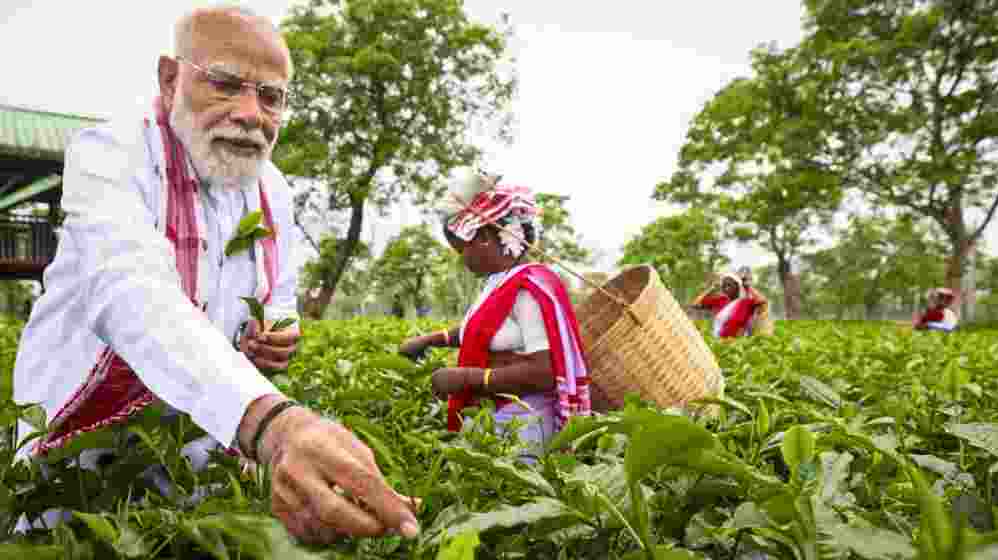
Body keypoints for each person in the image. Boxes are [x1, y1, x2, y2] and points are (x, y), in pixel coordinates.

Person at [11, 6, 417, 543]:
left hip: (202, 442)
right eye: (226, 85)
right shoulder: (112, 156)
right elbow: (131, 291)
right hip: (78, 453)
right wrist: (272, 423)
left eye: (271, 96)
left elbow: (281, 294)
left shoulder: (272, 190)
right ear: (170, 78)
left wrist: (279, 332)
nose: (252, 114)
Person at [398, 174, 591, 460]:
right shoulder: (498, 282)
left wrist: (466, 378)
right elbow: (480, 330)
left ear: (487, 238)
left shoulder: (528, 288)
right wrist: (428, 340)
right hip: (498, 415)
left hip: (526, 425)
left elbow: (545, 372)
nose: (462, 258)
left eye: (463, 249)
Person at [689, 271, 768, 339]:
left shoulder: (746, 302)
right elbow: (695, 304)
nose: (726, 288)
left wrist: (748, 287)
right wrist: (711, 289)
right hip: (718, 341)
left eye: (729, 285)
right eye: (724, 286)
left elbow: (763, 302)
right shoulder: (720, 300)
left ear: (737, 286)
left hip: (738, 344)